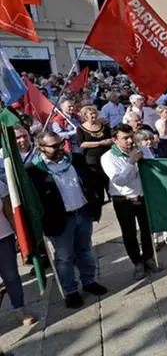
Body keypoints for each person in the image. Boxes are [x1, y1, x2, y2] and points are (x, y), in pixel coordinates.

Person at [27, 130, 107, 308]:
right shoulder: (33, 171)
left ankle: (89, 281)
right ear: (41, 147)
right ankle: (70, 291)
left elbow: (89, 181)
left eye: (60, 143)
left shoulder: (75, 160)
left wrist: (95, 203)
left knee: (85, 250)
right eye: (53, 146)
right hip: (59, 221)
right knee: (64, 257)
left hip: (83, 213)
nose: (59, 148)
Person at [101, 124, 160, 280]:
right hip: (124, 200)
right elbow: (119, 181)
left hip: (143, 197)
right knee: (129, 233)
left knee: (147, 230)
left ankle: (149, 258)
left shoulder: (143, 150)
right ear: (115, 140)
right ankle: (137, 262)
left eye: (131, 137)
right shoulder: (108, 157)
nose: (130, 141)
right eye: (125, 138)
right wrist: (131, 162)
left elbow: (153, 169)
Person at [0, 179, 38, 325]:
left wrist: (18, 234)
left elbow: (9, 210)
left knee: (11, 276)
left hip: (4, 237)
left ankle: (20, 309)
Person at [75, 105, 113, 202]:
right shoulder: (80, 129)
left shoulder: (103, 125)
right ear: (85, 116)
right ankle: (100, 198)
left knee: (108, 175)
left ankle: (112, 195)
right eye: (91, 114)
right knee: (96, 178)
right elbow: (81, 144)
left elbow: (112, 136)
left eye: (95, 113)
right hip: (92, 157)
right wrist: (99, 143)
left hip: (107, 154)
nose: (94, 115)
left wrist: (109, 141)